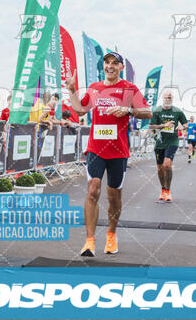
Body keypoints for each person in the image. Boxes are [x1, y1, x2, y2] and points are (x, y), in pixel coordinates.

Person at [65, 52, 151, 257]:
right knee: (93, 188)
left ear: (120, 67)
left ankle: (111, 234)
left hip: (118, 150)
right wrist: (72, 90)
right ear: (103, 66)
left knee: (114, 196)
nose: (110, 66)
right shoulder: (95, 88)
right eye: (107, 63)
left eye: (114, 63)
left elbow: (147, 112)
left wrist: (128, 110)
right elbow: (80, 109)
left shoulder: (130, 89)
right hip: (96, 148)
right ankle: (89, 241)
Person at [150, 90, 188, 202]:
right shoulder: (157, 111)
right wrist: (163, 125)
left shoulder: (177, 112)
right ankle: (163, 189)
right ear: (163, 98)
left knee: (167, 165)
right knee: (160, 168)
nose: (168, 99)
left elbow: (186, 124)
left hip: (172, 141)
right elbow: (151, 127)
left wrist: (183, 127)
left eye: (170, 97)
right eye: (166, 97)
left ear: (172, 99)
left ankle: (168, 191)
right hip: (159, 142)